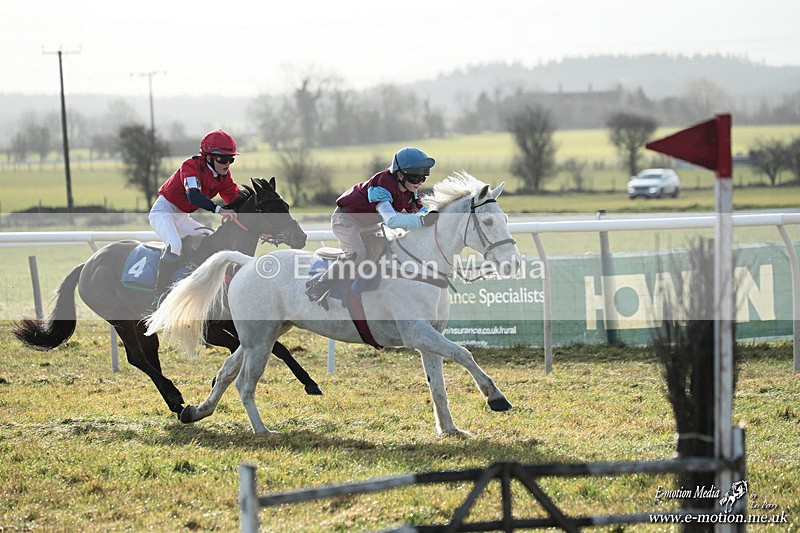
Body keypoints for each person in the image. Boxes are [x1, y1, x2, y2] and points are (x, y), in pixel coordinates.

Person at [305, 146, 440, 303]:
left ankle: (363, 292)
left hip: (369, 224)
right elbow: (391, 220)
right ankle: (318, 285)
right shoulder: (381, 185)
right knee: (357, 254)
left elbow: (422, 211)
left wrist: (436, 216)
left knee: (385, 250)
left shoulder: (409, 189)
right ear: (400, 174)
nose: (421, 182)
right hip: (346, 219)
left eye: (424, 177)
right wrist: (422, 221)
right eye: (416, 178)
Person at [148, 129, 241, 307]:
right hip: (164, 211)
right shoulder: (190, 166)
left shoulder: (223, 175)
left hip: (182, 215)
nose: (227, 163)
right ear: (208, 157)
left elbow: (236, 198)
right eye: (222, 158)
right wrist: (219, 210)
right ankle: (158, 296)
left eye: (231, 159)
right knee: (175, 245)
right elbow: (194, 196)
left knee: (211, 237)